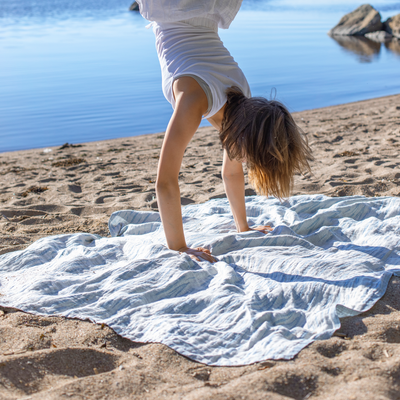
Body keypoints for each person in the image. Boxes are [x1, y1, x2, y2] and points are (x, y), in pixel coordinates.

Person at [136, 0, 312, 262]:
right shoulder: (193, 101)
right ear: (243, 138)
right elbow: (165, 182)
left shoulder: (245, 101)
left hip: (198, 12)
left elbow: (230, 173)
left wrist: (244, 227)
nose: (246, 163)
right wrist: (180, 248)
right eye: (250, 158)